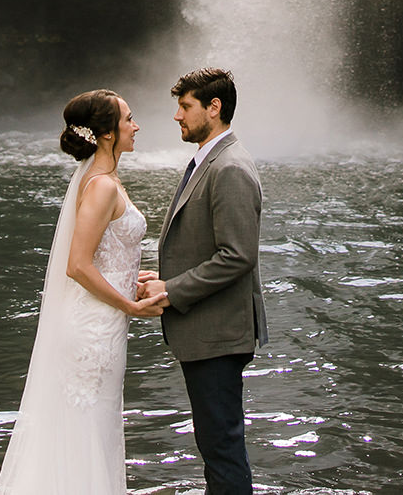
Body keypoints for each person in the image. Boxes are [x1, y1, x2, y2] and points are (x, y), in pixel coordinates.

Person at [0, 89, 167, 494]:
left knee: (93, 428)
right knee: (84, 430)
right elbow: (77, 264)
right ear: (107, 134)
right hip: (91, 333)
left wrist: (133, 278)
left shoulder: (106, 180)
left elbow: (105, 256)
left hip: (103, 325)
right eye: (128, 119)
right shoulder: (102, 185)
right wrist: (129, 305)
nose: (136, 126)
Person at [139, 67, 266, 495]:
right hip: (210, 330)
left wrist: (172, 290)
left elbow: (238, 256)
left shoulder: (229, 166)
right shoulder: (209, 159)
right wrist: (163, 277)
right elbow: (207, 246)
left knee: (222, 450)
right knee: (216, 447)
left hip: (219, 334)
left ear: (214, 108)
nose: (177, 116)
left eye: (185, 106)